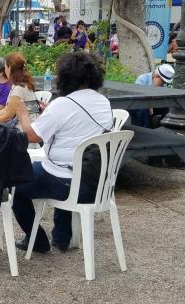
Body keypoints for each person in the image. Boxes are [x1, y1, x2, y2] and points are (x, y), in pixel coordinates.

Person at [11, 51, 113, 253]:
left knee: (17, 184)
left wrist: (22, 113)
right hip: (96, 182)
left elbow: (32, 136)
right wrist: (51, 111)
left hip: (68, 184)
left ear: (65, 76)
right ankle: (61, 237)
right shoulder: (104, 102)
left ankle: (38, 240)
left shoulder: (63, 105)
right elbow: (75, 122)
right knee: (58, 167)